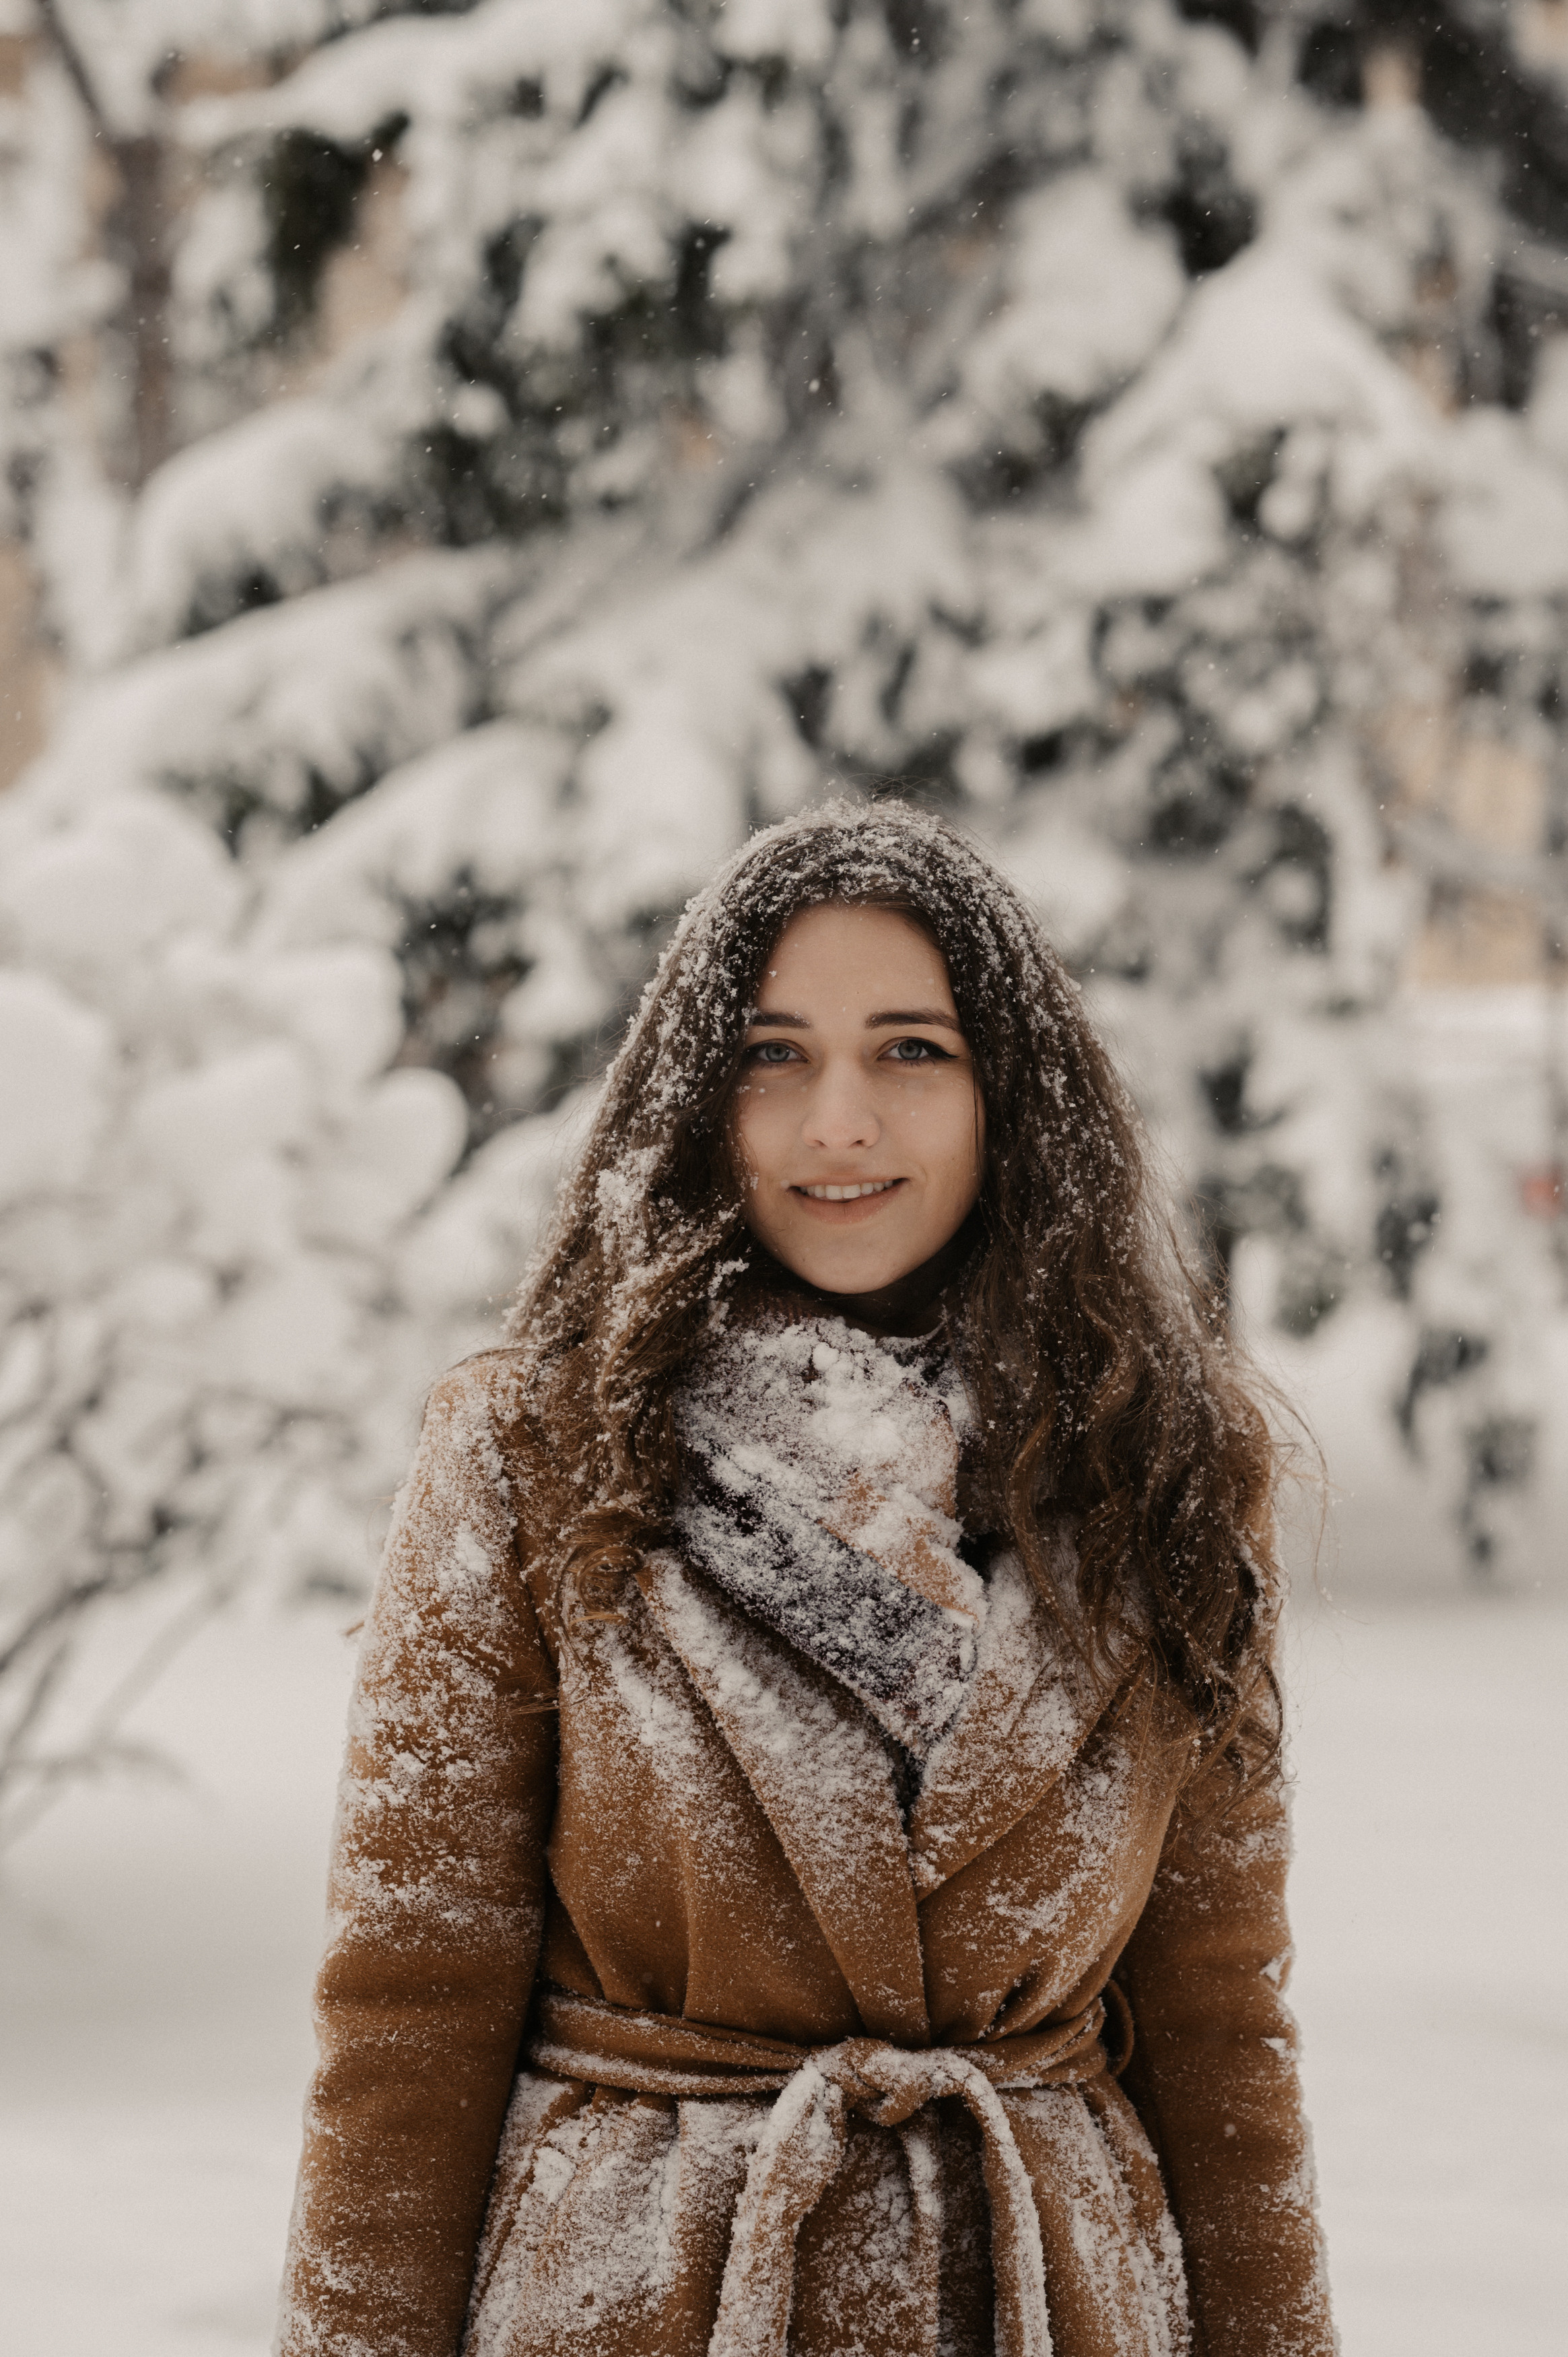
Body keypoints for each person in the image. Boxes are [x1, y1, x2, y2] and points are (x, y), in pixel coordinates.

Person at [277, 801, 1334, 2357]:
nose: (839, 1120)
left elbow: (1220, 2022)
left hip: (1050, 2298)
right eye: (773, 1054)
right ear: (696, 1094)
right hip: (630, 2304)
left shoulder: (1161, 1464)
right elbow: (410, 2005)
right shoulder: (533, 1446)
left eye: (911, 1049)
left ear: (1009, 1093)